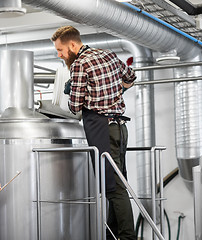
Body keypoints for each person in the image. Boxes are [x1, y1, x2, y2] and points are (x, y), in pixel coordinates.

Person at [51, 26, 136, 240]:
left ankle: (127, 237)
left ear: (72, 44)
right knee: (116, 185)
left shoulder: (79, 64)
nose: (59, 55)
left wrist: (70, 91)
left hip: (102, 130)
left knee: (114, 188)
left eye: (60, 50)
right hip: (120, 129)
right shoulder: (110, 55)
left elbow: (75, 108)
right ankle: (113, 236)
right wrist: (117, 93)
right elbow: (130, 77)